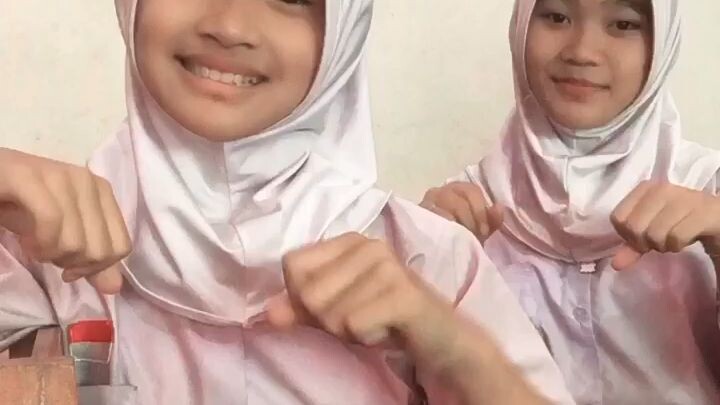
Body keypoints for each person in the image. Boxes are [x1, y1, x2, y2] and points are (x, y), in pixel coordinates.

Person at [0, 1, 572, 403]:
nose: (229, 25)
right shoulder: (39, 245)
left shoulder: (429, 262)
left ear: (344, 30)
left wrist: (447, 347)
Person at [422, 0, 720, 403]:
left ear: (662, 43)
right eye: (557, 17)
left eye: (623, 25)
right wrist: (425, 271)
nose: (581, 51)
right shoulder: (460, 213)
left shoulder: (708, 193)